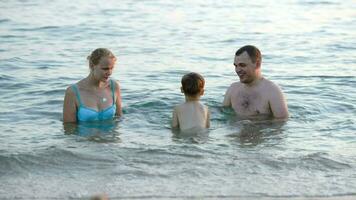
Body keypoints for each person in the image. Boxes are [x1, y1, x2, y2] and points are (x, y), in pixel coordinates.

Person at [223, 45, 289, 119]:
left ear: (257, 64)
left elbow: (281, 124)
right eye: (236, 66)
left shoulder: (272, 91)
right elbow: (223, 114)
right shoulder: (232, 89)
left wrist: (253, 124)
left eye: (242, 65)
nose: (238, 70)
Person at [63, 48, 122, 123]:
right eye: (105, 69)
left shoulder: (114, 87)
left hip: (110, 135)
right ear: (92, 65)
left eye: (111, 68)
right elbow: (69, 129)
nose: (110, 73)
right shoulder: (73, 92)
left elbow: (119, 119)